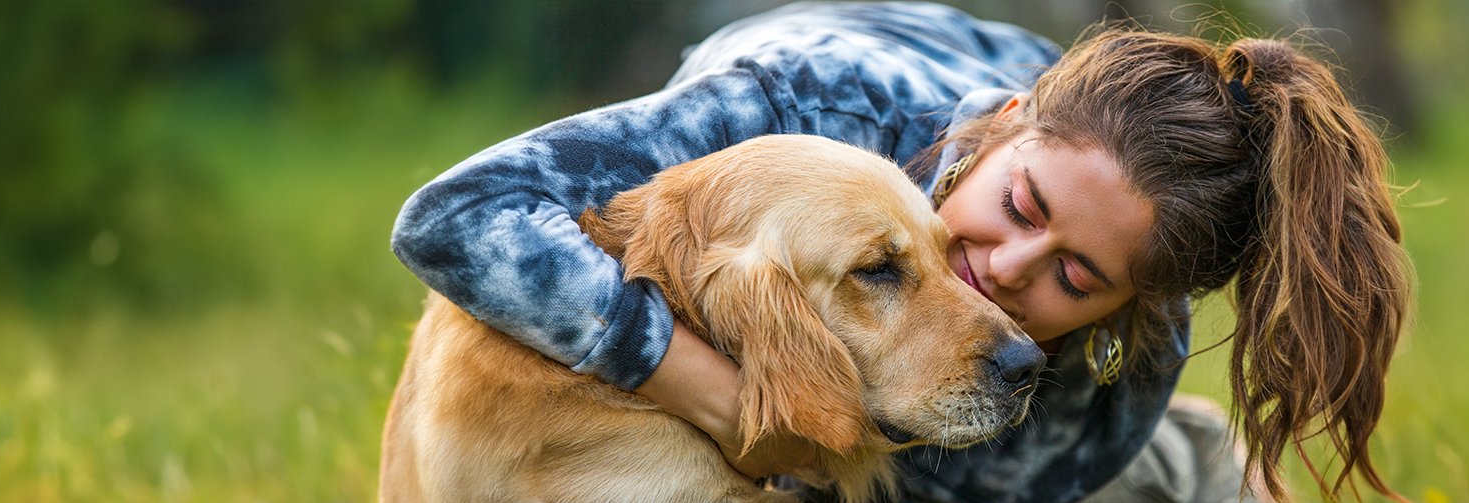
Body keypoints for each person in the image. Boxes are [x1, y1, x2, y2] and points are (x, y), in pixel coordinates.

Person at [390, 2, 1411, 502]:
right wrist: (707, 390)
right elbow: (452, 217)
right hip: (862, 58)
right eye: (1021, 203)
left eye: (1074, 275)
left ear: (1121, 312)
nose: (1009, 268)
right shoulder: (783, 108)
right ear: (1009, 128)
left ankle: (1199, 456)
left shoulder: (1102, 389)